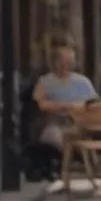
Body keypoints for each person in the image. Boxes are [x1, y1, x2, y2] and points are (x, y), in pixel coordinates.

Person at [29, 34, 97, 176]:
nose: (63, 65)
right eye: (60, 61)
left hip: (79, 123)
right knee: (51, 134)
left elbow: (93, 104)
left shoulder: (82, 82)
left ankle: (69, 162)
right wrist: (65, 106)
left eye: (67, 61)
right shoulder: (46, 81)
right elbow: (40, 103)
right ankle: (55, 165)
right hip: (55, 121)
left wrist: (77, 109)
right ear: (53, 62)